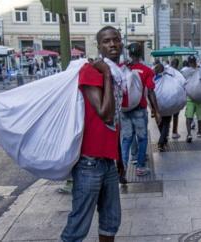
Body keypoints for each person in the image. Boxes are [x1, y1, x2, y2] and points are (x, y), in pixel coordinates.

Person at [60, 26, 125, 242]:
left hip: (108, 162)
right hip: (89, 163)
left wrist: (120, 161)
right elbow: (106, 114)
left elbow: (116, 121)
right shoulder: (91, 71)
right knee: (78, 226)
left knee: (110, 221)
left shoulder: (118, 74)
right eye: (106, 41)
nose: (112, 44)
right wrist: (105, 72)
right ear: (98, 46)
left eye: (116, 39)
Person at [121, 42, 161, 176]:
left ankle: (123, 167)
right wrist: (156, 110)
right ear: (141, 54)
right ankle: (140, 167)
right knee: (142, 138)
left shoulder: (122, 68)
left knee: (126, 138)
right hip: (139, 109)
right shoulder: (147, 70)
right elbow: (150, 91)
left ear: (129, 54)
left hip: (124, 110)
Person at [183, 55, 201, 143]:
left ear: (188, 62)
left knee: (189, 116)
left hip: (190, 97)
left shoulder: (185, 71)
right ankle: (199, 132)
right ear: (195, 61)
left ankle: (189, 134)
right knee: (200, 116)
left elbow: (183, 83)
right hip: (199, 97)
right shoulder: (200, 70)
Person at [169, 58, 182, 139]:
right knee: (175, 115)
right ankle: (174, 132)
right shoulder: (178, 73)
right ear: (177, 65)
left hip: (167, 97)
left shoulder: (166, 71)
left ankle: (165, 133)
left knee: (167, 116)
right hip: (175, 97)